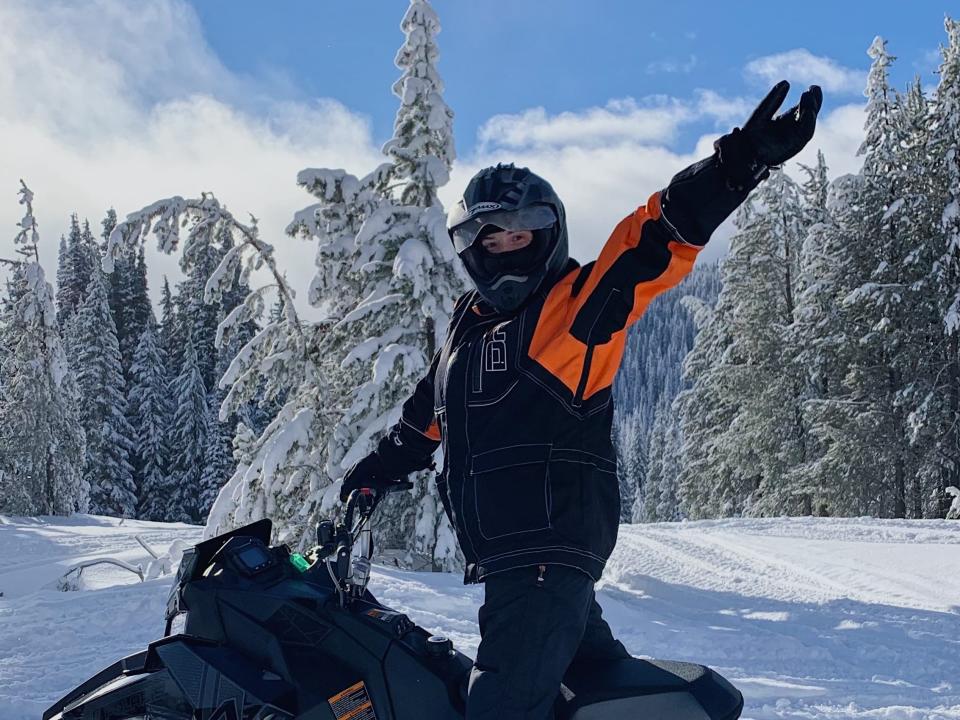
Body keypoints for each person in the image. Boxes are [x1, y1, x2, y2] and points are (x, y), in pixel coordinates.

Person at [340, 79, 823, 719]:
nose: (507, 249)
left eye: (521, 235)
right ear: (469, 247)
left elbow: (651, 241)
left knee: (500, 708)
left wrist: (736, 166)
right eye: (491, 238)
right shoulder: (467, 325)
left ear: (549, 234)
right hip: (530, 564)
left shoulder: (573, 312)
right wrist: (375, 471)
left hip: (542, 556)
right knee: (586, 690)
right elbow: (430, 413)